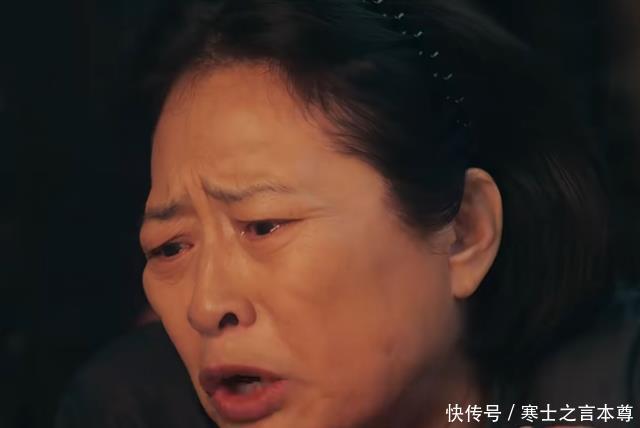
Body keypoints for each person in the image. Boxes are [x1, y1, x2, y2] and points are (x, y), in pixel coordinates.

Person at [56, 0, 639, 427]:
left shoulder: (610, 395)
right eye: (170, 248)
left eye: (263, 226)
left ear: (464, 232)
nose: (206, 306)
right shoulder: (131, 411)